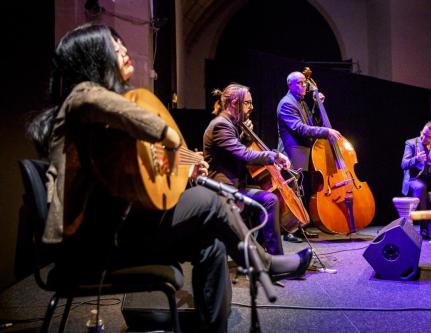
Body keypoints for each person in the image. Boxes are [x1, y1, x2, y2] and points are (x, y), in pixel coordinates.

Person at [26, 24, 312, 333]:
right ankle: (263, 264)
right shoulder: (84, 98)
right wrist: (171, 139)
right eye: (114, 47)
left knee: (211, 242)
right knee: (209, 200)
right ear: (93, 59)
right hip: (90, 247)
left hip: (115, 233)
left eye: (122, 45)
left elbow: (131, 177)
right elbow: (153, 127)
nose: (123, 50)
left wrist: (177, 167)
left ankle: (211, 326)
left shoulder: (99, 121)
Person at [203, 83, 292, 255]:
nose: (251, 107)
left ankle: (263, 255)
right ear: (235, 103)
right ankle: (275, 258)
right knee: (270, 200)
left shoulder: (230, 124)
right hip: (224, 190)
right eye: (248, 103)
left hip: (234, 185)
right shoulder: (221, 125)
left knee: (269, 199)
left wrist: (243, 136)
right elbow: (244, 155)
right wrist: (274, 156)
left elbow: (232, 153)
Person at [277, 71, 341, 242]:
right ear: (290, 85)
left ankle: (299, 228)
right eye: (299, 83)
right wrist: (326, 132)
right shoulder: (286, 104)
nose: (304, 85)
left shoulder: (302, 103)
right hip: (291, 153)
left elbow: (311, 123)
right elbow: (300, 128)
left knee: (301, 191)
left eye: (305, 82)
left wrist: (317, 105)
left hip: (302, 152)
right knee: (292, 193)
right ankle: (288, 231)